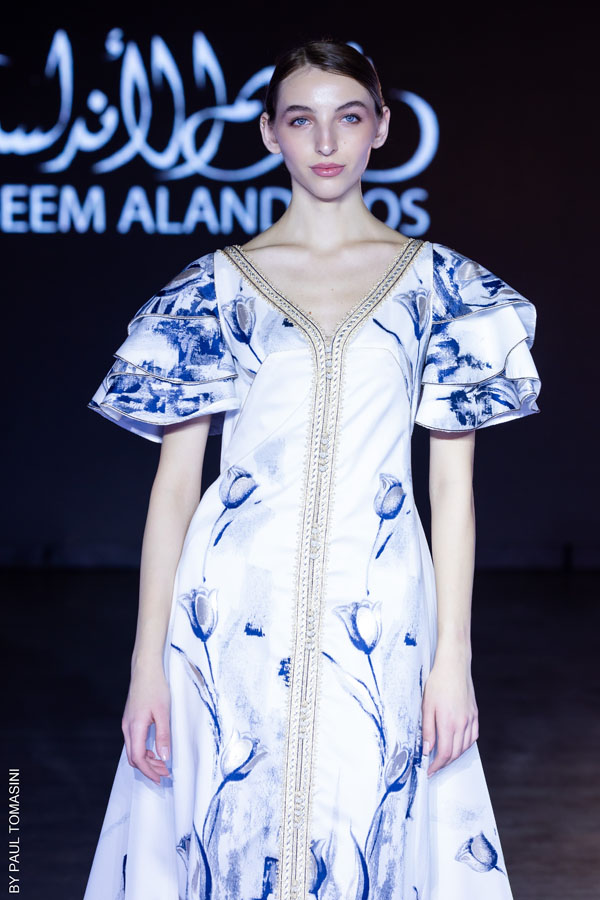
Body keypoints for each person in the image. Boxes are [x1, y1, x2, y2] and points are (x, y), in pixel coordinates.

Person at [83, 38, 540, 900]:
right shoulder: (214, 289)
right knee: (229, 837)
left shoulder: (441, 288)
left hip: (383, 610)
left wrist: (454, 659)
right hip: (231, 610)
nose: (326, 142)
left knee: (371, 838)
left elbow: (453, 490)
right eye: (301, 120)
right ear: (269, 134)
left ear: (382, 128)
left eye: (348, 117)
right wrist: (147, 669)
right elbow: (174, 490)